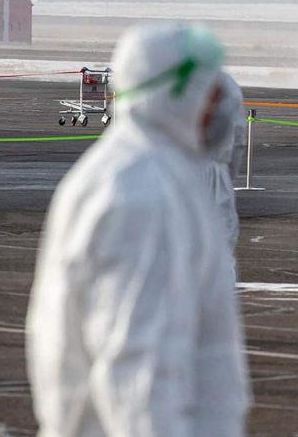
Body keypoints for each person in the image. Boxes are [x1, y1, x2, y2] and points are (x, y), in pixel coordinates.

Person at [26, 23, 250, 437]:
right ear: (174, 93)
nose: (222, 110)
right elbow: (136, 367)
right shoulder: (141, 192)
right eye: (209, 93)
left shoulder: (154, 171)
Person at [202, 72, 247, 282]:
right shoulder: (225, 83)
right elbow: (238, 139)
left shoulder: (155, 70)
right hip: (215, 171)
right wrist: (227, 177)